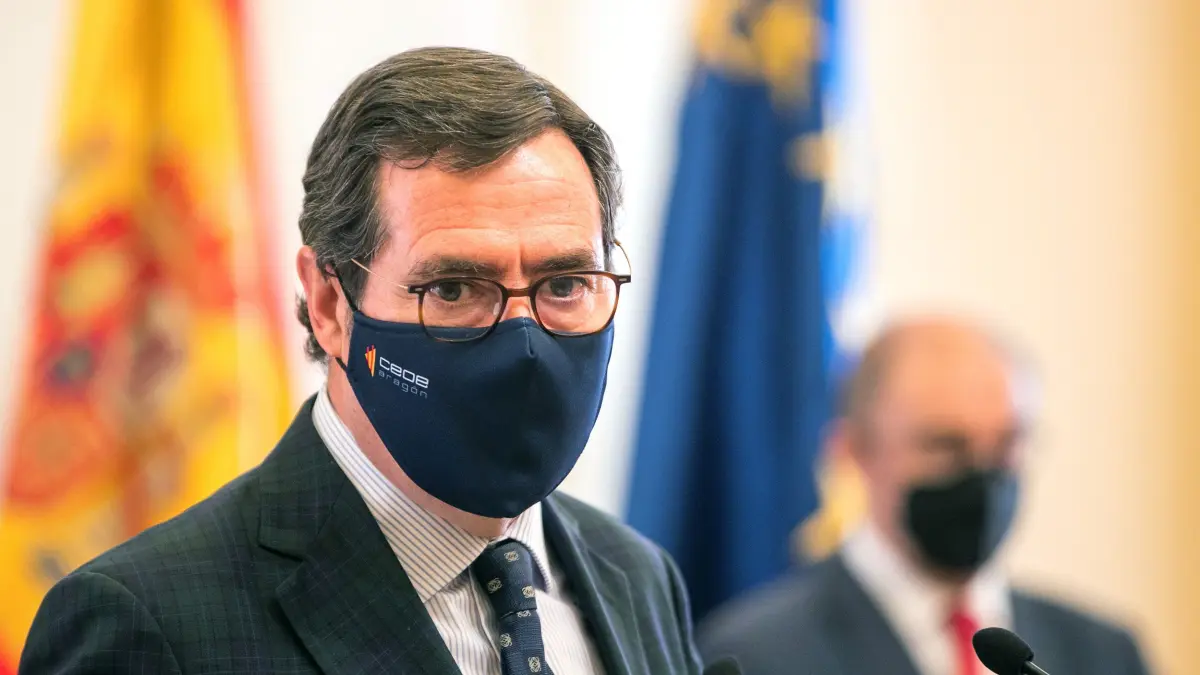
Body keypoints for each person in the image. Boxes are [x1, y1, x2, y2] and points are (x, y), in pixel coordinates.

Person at [21, 47, 704, 675]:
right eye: (453, 289)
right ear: (329, 303)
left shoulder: (636, 578)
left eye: (565, 284)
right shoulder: (147, 623)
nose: (523, 340)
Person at [697, 317, 1153, 675]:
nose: (981, 475)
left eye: (1006, 444)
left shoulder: (1103, 654)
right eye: (946, 446)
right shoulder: (754, 656)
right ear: (854, 451)